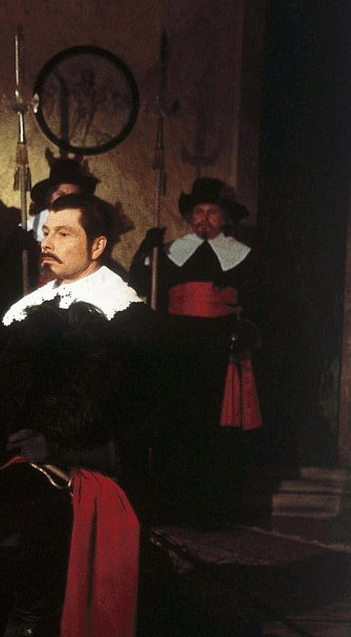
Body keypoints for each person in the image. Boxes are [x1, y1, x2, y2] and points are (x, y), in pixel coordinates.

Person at [0, 193, 151, 637]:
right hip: (15, 457)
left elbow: (140, 425)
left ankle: (32, 620)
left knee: (14, 520)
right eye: (46, 232)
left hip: (88, 468)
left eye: (64, 234)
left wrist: (60, 448)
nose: (47, 242)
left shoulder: (126, 315)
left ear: (98, 245)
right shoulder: (29, 307)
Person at [130, 176, 259, 524]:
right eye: (198, 213)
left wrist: (245, 329)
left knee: (215, 430)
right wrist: (146, 251)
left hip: (219, 348)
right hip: (176, 347)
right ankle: (172, 506)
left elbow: (257, 303)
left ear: (225, 218)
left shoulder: (243, 256)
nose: (204, 220)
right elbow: (141, 284)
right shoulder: (171, 251)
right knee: (176, 424)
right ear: (189, 217)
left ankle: (212, 512)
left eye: (212, 213)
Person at [25, 156, 99, 243]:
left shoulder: (86, 225)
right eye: (61, 194)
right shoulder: (34, 226)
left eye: (73, 196)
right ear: (49, 197)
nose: (67, 200)